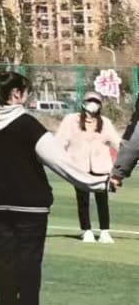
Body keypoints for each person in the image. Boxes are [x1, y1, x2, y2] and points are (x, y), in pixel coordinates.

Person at [0, 70, 110, 305]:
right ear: (16, 94)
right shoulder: (28, 124)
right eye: (25, 91)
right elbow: (60, 162)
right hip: (30, 203)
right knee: (29, 257)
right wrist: (99, 183)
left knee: (3, 256)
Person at [58, 98, 116, 243]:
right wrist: (62, 159)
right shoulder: (71, 120)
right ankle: (86, 230)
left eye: (96, 102)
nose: (93, 105)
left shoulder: (105, 122)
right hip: (79, 166)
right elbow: (61, 141)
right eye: (90, 101)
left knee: (103, 200)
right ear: (83, 104)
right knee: (82, 200)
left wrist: (127, 156)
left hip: (101, 166)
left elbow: (116, 141)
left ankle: (104, 231)